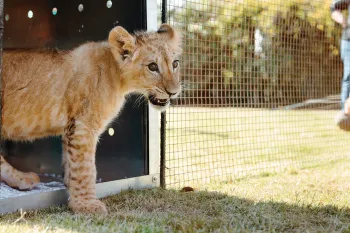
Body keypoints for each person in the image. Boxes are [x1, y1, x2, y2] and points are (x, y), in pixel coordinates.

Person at [331, 0, 350, 130]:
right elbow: (333, 7)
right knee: (349, 73)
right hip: (349, 41)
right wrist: (343, 20)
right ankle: (346, 114)